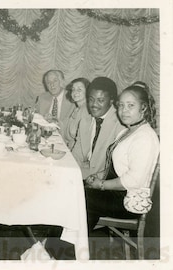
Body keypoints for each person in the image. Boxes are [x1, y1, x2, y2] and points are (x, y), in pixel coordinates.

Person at [84, 82, 159, 233]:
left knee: (79, 197)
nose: (124, 111)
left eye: (130, 105)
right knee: (76, 191)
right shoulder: (127, 131)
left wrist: (101, 185)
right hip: (116, 193)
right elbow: (115, 166)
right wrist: (97, 176)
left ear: (143, 108)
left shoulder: (145, 137)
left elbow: (133, 180)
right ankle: (70, 246)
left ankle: (61, 248)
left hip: (128, 200)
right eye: (121, 105)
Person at [71, 77, 125, 179]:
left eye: (100, 100)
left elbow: (116, 168)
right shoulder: (85, 120)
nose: (94, 105)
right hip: (84, 173)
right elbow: (76, 154)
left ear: (111, 100)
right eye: (91, 99)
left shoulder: (120, 124)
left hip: (105, 180)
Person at [62, 77, 90, 150]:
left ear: (88, 92)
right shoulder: (77, 108)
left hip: (76, 152)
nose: (75, 92)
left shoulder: (86, 110)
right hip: (70, 147)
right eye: (73, 89)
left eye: (79, 89)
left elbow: (81, 141)